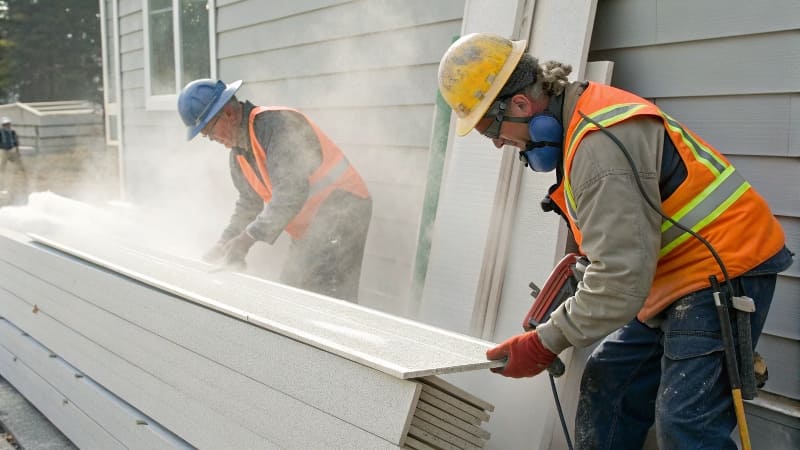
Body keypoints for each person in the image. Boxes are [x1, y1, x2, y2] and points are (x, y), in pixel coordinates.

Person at [438, 33, 794, 449]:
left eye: (490, 130)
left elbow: (621, 282)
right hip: (670, 275)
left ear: (520, 105)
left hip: (725, 266)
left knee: (685, 424)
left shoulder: (598, 145)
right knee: (609, 384)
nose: (499, 142)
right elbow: (618, 247)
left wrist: (542, 344)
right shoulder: (578, 124)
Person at [177, 79, 372, 302]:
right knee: (291, 290)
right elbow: (248, 205)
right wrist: (224, 243)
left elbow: (291, 193)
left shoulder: (276, 125)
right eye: (205, 136)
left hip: (342, 207)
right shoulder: (238, 155)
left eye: (209, 130)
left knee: (326, 296)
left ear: (228, 113)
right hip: (311, 222)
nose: (211, 139)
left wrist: (247, 238)